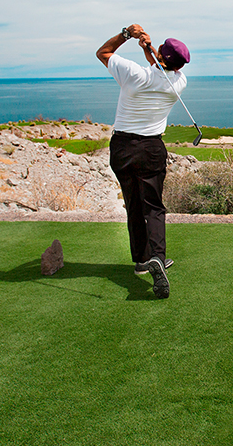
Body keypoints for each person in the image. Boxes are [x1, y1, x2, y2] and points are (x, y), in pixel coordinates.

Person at [96, 23, 190, 299]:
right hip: (151, 148)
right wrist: (149, 50)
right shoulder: (179, 83)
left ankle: (141, 260)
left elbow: (103, 52)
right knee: (153, 206)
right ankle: (157, 258)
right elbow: (161, 70)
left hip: (123, 147)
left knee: (133, 204)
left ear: (160, 53)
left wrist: (127, 34)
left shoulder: (132, 74)